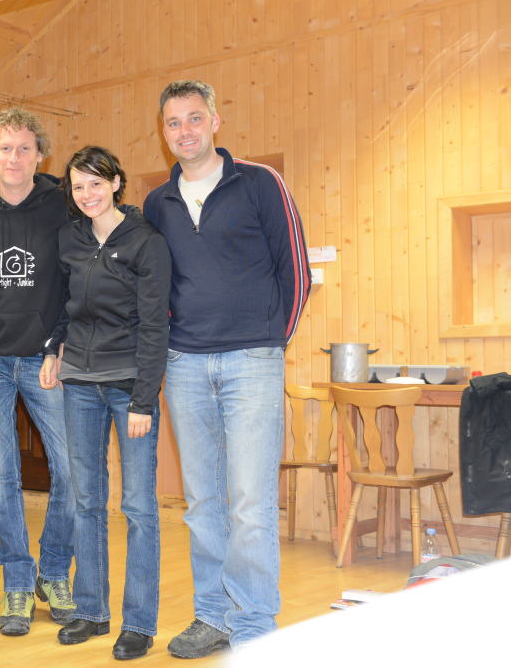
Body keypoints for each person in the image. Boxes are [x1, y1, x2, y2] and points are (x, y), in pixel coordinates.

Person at [143, 80, 311, 657]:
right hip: (185, 366)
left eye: (194, 118)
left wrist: (271, 343)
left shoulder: (260, 183)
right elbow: (153, 287)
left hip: (252, 362)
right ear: (162, 132)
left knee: (250, 500)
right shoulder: (156, 204)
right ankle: (212, 616)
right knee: (202, 502)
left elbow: (298, 270)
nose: (184, 130)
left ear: (215, 120)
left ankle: (255, 624)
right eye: (173, 122)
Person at [40, 146, 170, 661]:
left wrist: (144, 398)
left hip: (129, 386)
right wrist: (53, 348)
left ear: (116, 183)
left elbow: (156, 324)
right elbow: (63, 305)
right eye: (78, 186)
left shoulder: (145, 241)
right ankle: (92, 611)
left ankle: (139, 622)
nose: (87, 194)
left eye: (96, 183)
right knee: (85, 500)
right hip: (79, 385)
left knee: (138, 506)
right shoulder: (69, 239)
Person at [0, 107, 75, 635]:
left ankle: (54, 570)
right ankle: (18, 584)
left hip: (47, 358)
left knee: (73, 472)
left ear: (40, 155)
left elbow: (79, 280)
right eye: (5, 148)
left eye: (25, 148)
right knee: (2, 479)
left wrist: (61, 341)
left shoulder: (64, 206)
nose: (15, 158)